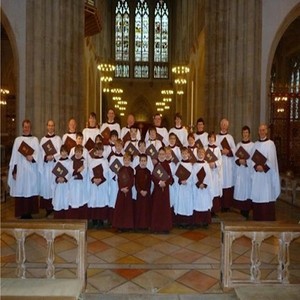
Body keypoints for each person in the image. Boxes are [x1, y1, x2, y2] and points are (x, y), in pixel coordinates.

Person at [8, 119, 40, 218]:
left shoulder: (35, 140)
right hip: (21, 171)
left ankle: (29, 213)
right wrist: (14, 171)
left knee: (30, 190)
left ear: (31, 128)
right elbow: (14, 158)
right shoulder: (18, 140)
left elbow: (38, 154)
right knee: (21, 190)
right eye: (25, 127)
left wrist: (33, 157)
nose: (26, 129)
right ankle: (21, 212)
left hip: (31, 171)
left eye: (28, 127)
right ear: (22, 127)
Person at [250, 124, 280, 221]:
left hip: (267, 176)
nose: (261, 132)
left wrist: (264, 167)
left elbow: (272, 160)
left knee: (266, 195)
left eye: (263, 130)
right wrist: (256, 166)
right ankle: (258, 218)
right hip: (258, 176)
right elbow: (251, 160)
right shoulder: (255, 145)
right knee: (258, 195)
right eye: (260, 130)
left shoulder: (271, 144)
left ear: (266, 131)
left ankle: (268, 218)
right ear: (258, 132)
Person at [39, 119, 62, 216]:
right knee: (47, 186)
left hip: (55, 165)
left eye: (52, 125)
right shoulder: (43, 140)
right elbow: (40, 154)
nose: (51, 127)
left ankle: (55, 206)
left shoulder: (58, 139)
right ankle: (48, 208)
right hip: (47, 167)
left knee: (55, 185)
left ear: (54, 127)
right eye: (49, 125)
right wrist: (45, 157)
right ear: (47, 126)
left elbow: (61, 152)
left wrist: (53, 156)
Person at [233, 126, 254, 219]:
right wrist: (239, 161)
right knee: (241, 190)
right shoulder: (238, 145)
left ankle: (247, 210)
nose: (245, 134)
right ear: (242, 134)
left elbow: (254, 159)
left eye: (246, 132)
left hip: (248, 172)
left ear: (249, 134)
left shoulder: (253, 145)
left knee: (248, 190)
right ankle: (242, 210)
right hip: (241, 172)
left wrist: (246, 162)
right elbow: (235, 158)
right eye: (243, 132)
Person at [150, 147, 173, 233]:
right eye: (160, 154)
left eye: (163, 154)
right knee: (157, 208)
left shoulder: (167, 165)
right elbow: (153, 176)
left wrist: (165, 183)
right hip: (158, 190)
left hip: (165, 190)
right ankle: (156, 227)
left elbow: (170, 177)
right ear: (158, 155)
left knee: (165, 209)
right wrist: (159, 182)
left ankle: (165, 228)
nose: (162, 155)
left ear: (165, 155)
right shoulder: (156, 165)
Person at [87, 142, 109, 228]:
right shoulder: (92, 161)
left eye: (101, 149)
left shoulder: (105, 161)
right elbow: (90, 172)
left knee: (101, 201)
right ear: (95, 150)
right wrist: (93, 179)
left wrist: (101, 179)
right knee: (94, 200)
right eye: (98, 149)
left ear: (103, 150)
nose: (99, 151)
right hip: (94, 184)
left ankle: (101, 220)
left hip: (102, 184)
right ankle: (94, 220)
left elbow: (106, 172)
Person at [216, 118, 236, 212]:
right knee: (220, 181)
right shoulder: (216, 137)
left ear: (228, 126)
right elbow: (214, 150)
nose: (224, 126)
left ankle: (227, 205)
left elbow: (235, 150)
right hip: (220, 163)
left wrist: (228, 151)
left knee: (227, 182)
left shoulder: (230, 137)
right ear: (220, 125)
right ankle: (219, 204)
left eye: (225, 124)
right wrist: (221, 151)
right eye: (222, 124)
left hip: (228, 164)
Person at [112, 152, 135, 231]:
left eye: (128, 160)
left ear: (130, 161)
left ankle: (127, 225)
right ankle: (120, 225)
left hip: (128, 191)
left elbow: (132, 180)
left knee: (128, 209)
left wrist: (127, 188)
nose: (126, 161)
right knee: (120, 208)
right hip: (121, 192)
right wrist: (121, 188)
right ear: (123, 160)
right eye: (125, 160)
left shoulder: (132, 170)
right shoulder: (121, 169)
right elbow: (119, 180)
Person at [192, 147, 214, 227]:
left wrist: (204, 184)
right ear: (197, 154)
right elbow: (193, 177)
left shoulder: (206, 165)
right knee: (197, 204)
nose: (200, 154)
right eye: (199, 152)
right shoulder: (194, 165)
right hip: (197, 189)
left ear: (204, 154)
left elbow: (209, 177)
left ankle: (205, 222)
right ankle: (198, 222)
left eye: (202, 152)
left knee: (205, 204)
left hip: (205, 189)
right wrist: (198, 184)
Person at [173, 147, 194, 227]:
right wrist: (180, 181)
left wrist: (187, 181)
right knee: (180, 203)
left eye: (186, 153)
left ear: (188, 154)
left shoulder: (191, 165)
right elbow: (175, 176)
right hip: (181, 188)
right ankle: (180, 222)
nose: (184, 155)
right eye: (183, 153)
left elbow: (193, 176)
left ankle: (188, 222)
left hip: (188, 188)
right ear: (181, 154)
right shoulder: (179, 164)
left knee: (187, 203)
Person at [67, 144, 88, 219]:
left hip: (80, 184)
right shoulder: (70, 161)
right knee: (73, 200)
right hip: (73, 184)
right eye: (77, 152)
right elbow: (70, 172)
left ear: (82, 153)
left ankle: (81, 218)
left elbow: (84, 172)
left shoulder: (84, 161)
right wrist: (78, 171)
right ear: (74, 152)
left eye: (80, 152)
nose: (78, 154)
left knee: (80, 199)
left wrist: (76, 173)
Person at [52, 145, 73, 219]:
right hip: (58, 185)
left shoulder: (70, 162)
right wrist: (57, 178)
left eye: (65, 151)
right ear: (60, 152)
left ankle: (66, 217)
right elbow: (53, 173)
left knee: (66, 199)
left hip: (66, 185)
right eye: (62, 151)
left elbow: (71, 173)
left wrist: (65, 178)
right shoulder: (57, 162)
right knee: (58, 199)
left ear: (67, 152)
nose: (64, 153)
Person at [206, 132, 223, 216]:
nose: (211, 139)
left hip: (215, 173)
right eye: (210, 137)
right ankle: (208, 208)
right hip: (208, 173)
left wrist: (215, 164)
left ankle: (214, 210)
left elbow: (220, 160)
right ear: (208, 139)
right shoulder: (205, 148)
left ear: (215, 139)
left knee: (215, 190)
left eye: (212, 138)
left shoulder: (217, 149)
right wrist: (207, 164)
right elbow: (202, 157)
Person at [134, 154, 152, 230]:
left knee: (146, 210)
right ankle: (138, 225)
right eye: (142, 161)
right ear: (139, 161)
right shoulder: (137, 171)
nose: (143, 162)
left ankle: (145, 225)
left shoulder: (148, 171)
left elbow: (149, 183)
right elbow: (136, 183)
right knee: (139, 209)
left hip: (146, 193)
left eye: (144, 161)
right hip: (139, 193)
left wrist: (146, 191)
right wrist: (140, 191)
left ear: (147, 162)